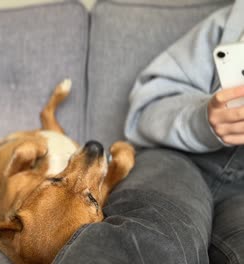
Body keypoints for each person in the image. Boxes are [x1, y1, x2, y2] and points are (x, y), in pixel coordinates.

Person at [54, 1, 244, 263]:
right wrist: (203, 119)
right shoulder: (230, 24)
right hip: (179, 158)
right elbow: (146, 110)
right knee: (149, 232)